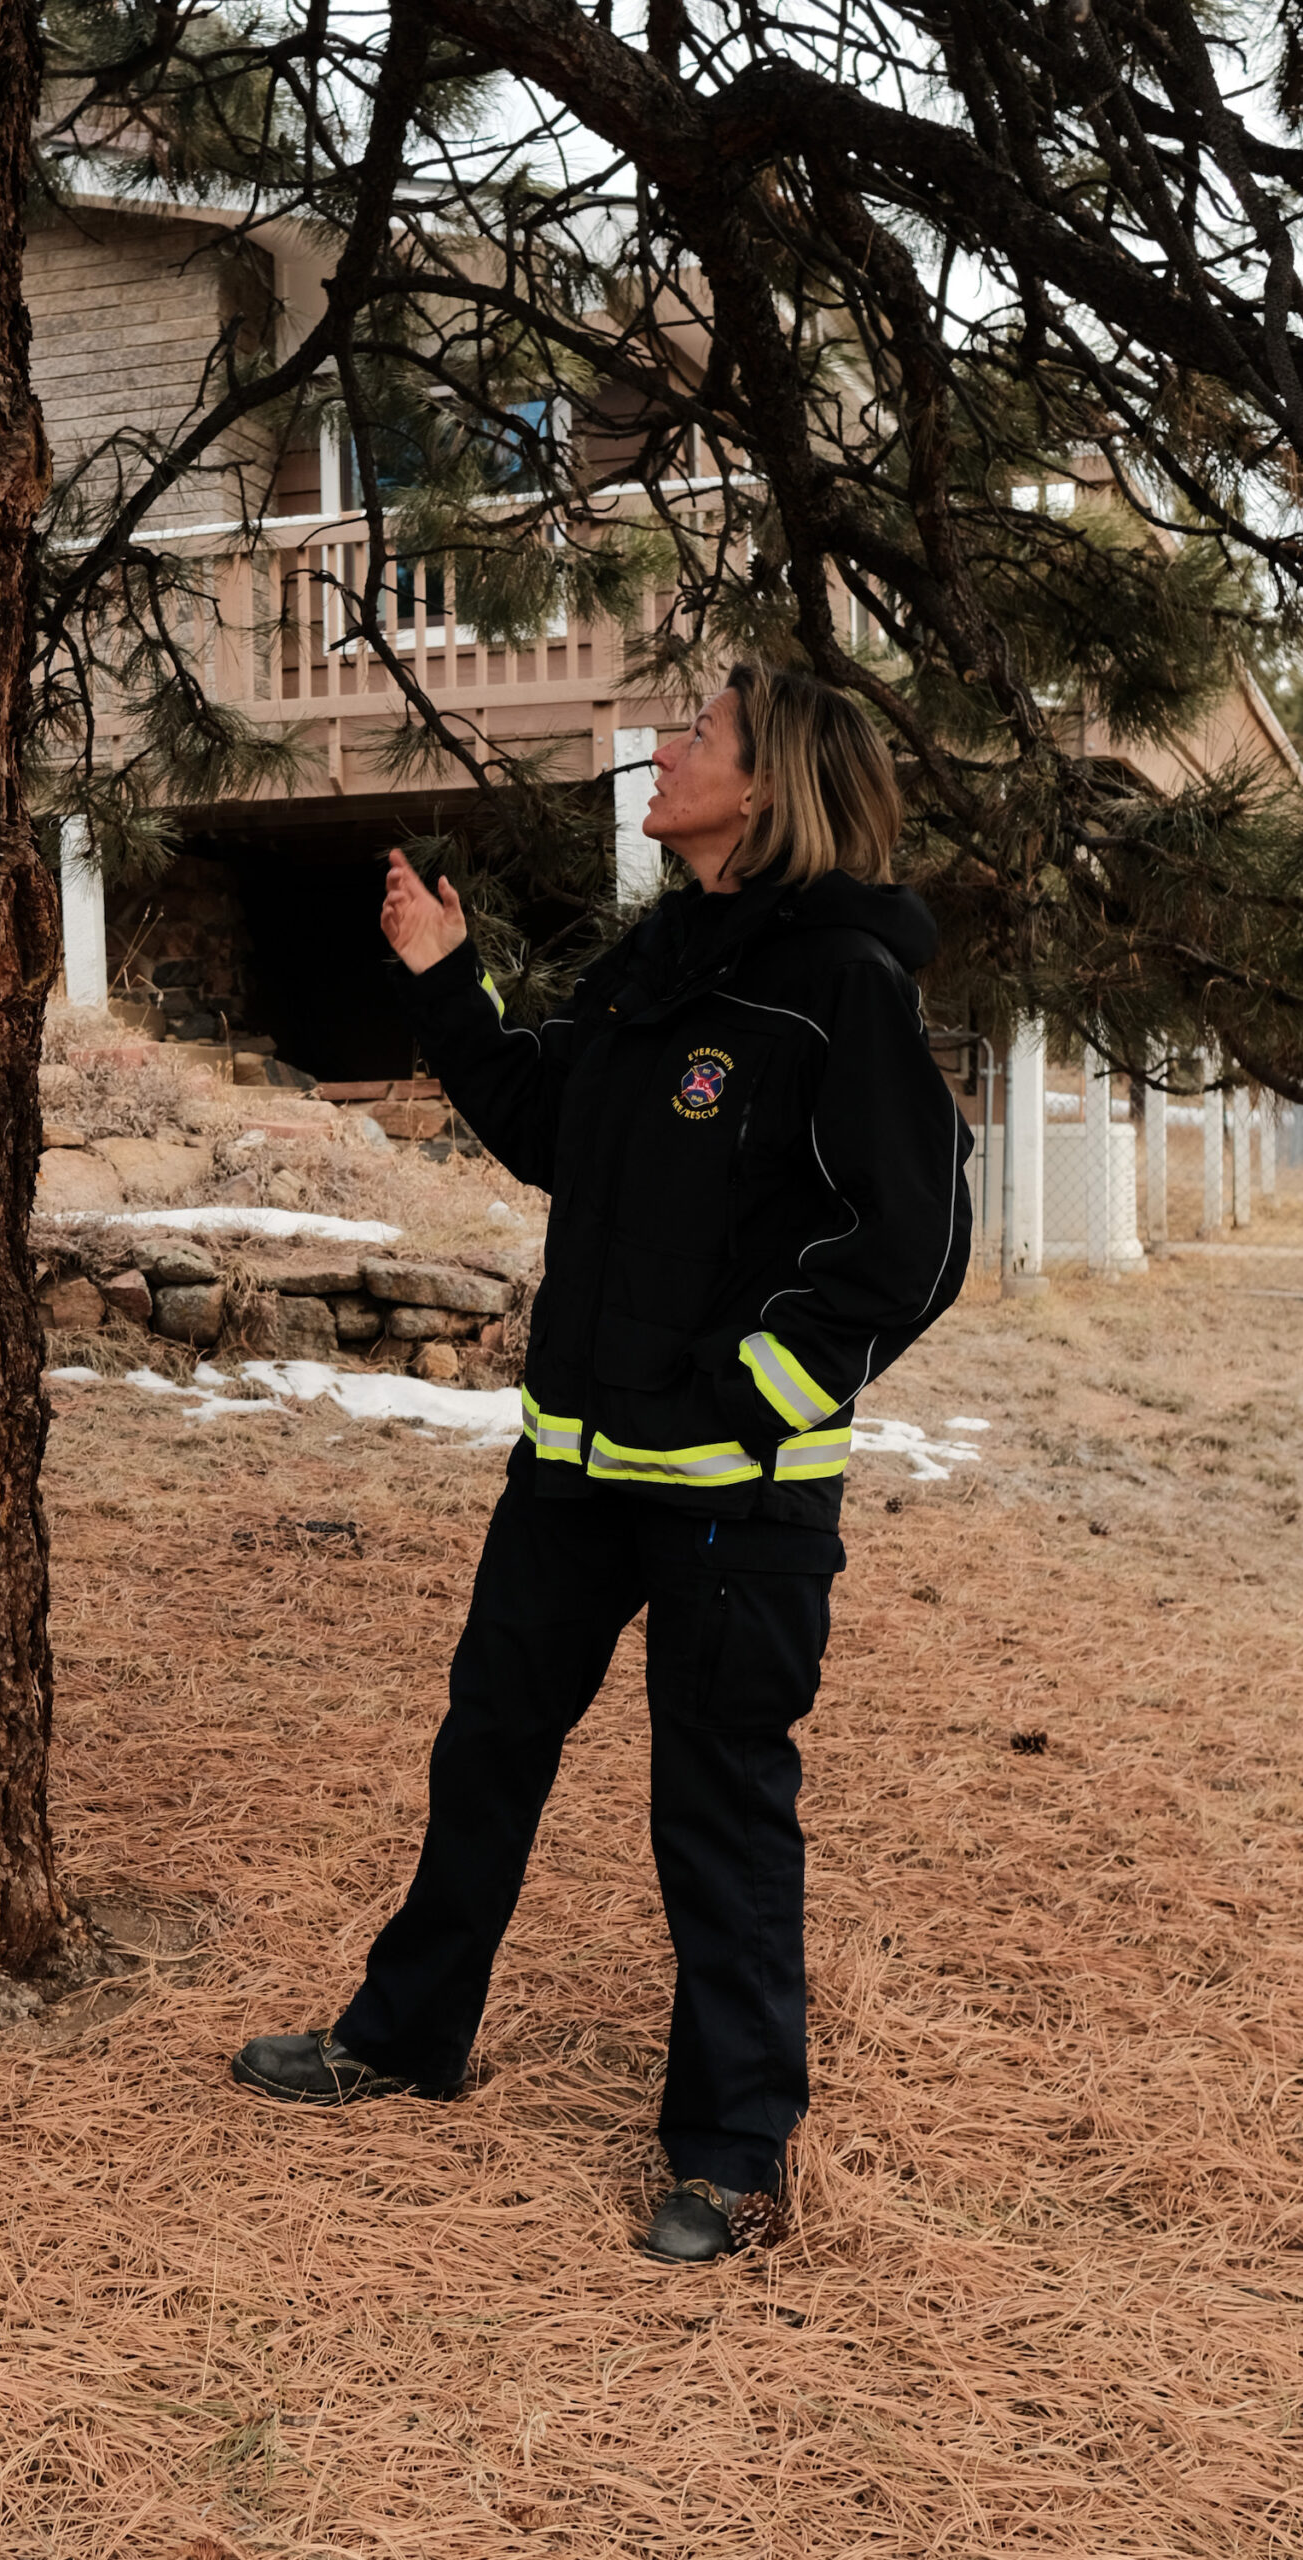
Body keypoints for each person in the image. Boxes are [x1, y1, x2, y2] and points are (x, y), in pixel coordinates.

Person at [229, 661, 972, 2263]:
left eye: (696, 735)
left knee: (716, 1812)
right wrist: (442, 976)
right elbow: (545, 1123)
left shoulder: (839, 983)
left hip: (733, 1509)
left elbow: (904, 1245)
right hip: (566, 1480)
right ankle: (404, 2034)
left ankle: (730, 2153)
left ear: (763, 785)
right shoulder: (661, 970)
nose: (668, 749)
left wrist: (745, 1395)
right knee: (486, 1748)